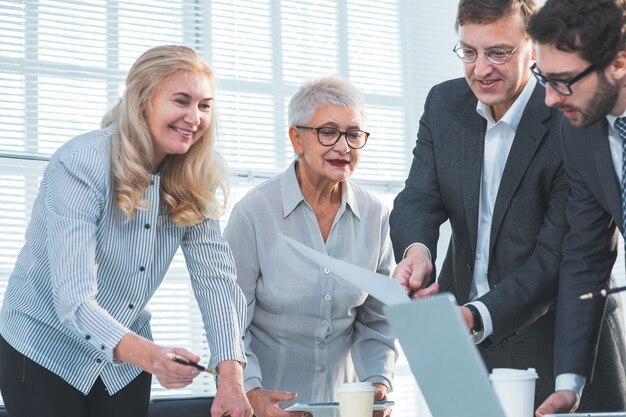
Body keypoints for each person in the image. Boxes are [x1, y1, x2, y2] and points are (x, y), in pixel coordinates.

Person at [390, 0, 625, 410]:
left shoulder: (568, 122)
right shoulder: (446, 105)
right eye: (469, 52)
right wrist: (417, 250)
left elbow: (561, 256)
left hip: (549, 341)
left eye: (499, 52)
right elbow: (419, 196)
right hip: (467, 353)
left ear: (531, 48)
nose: (481, 69)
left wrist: (478, 315)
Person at [0, 45, 252, 417]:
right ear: (141, 101)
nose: (194, 117)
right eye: (181, 101)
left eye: (204, 105)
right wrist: (153, 357)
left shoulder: (195, 178)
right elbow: (73, 299)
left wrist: (230, 377)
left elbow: (217, 280)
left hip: (125, 364)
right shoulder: (81, 163)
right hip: (43, 347)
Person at [223, 76, 397, 417]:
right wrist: (252, 391)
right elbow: (229, 323)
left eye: (354, 134)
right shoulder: (254, 213)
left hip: (346, 409)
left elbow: (377, 320)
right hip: (268, 406)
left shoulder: (376, 216)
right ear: (296, 138)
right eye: (328, 132)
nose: (344, 147)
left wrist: (379, 382)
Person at [527, 0, 626, 414]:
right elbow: (585, 256)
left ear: (619, 63)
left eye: (563, 81)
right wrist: (569, 382)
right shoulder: (579, 131)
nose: (549, 99)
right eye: (543, 78)